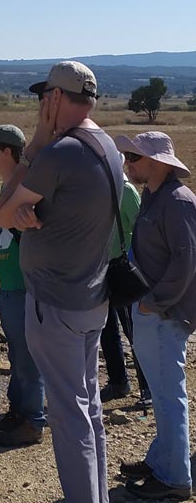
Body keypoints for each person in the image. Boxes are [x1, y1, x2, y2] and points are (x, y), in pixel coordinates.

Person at [0, 60, 120, 503]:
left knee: (68, 416)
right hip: (91, 297)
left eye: (45, 96)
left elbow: (0, 213)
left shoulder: (60, 152)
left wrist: (38, 144)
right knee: (89, 408)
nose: (42, 104)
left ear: (59, 98)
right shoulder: (107, 146)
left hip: (55, 302)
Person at [114, 131, 196, 501]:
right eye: (128, 157)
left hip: (164, 313)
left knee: (167, 396)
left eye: (134, 157)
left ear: (157, 161)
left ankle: (175, 478)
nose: (128, 163)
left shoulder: (178, 201)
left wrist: (154, 302)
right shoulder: (153, 196)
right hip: (152, 311)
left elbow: (186, 262)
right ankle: (162, 460)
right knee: (163, 394)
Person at [0, 124, 45, 446]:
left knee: (28, 358)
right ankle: (18, 413)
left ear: (6, 151)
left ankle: (32, 420)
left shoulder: (24, 191)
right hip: (10, 288)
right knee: (17, 354)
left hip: (24, 289)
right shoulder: (9, 189)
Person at [98, 158, 150, 406]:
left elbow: (141, 230)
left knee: (134, 331)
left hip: (122, 269)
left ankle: (147, 388)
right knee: (106, 331)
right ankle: (118, 382)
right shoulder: (98, 191)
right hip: (101, 270)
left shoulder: (126, 191)